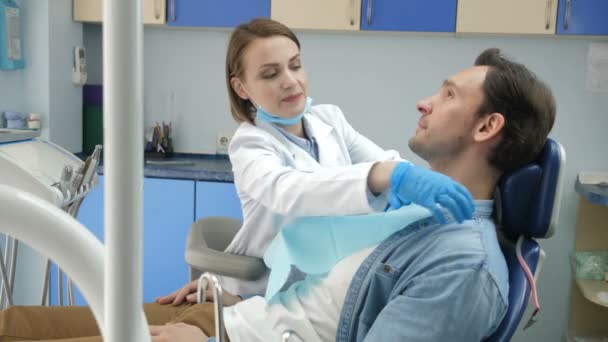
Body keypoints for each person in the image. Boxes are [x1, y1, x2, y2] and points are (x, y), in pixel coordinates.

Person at [0, 47, 556, 342]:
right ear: (243, 88)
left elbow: (341, 181)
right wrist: (240, 290)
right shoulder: (425, 212)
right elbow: (311, 231)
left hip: (233, 335)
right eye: (270, 73)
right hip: (239, 313)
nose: (423, 101)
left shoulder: (462, 265)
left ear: (487, 129)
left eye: (448, 94)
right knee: (12, 326)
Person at [164, 18, 474, 298]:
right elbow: (291, 191)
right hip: (264, 291)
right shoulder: (250, 146)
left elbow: (386, 163)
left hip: (326, 279)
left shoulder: (330, 120)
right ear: (241, 87)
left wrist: (432, 186)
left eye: (295, 65)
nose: (289, 81)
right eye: (271, 74)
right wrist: (387, 176)